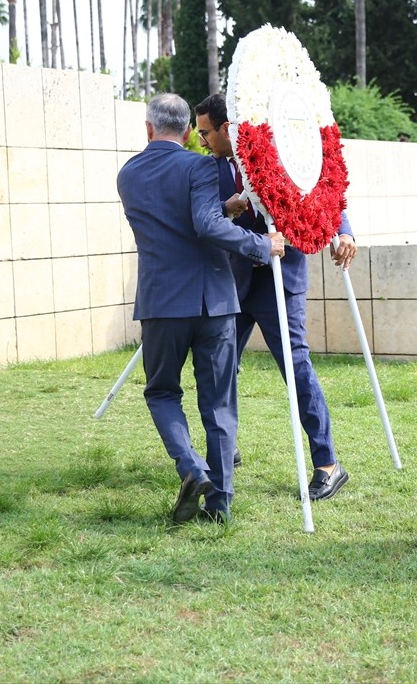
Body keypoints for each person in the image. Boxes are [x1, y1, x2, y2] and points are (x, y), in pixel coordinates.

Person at [117, 93, 285, 525]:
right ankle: (220, 504)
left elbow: (173, 221)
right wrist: (260, 244)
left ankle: (192, 468)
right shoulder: (201, 165)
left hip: (161, 302)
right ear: (189, 131)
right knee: (219, 403)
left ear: (148, 128)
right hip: (215, 301)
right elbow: (203, 224)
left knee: (161, 392)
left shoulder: (127, 175)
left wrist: (222, 209)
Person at [194, 93, 355, 501]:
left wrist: (345, 231)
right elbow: (207, 216)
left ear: (227, 127)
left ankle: (328, 464)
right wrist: (227, 208)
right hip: (231, 281)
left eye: (207, 133)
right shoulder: (207, 169)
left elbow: (318, 187)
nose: (202, 141)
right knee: (218, 365)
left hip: (279, 280)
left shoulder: (276, 150)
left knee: (295, 367)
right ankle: (224, 450)